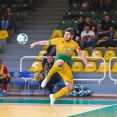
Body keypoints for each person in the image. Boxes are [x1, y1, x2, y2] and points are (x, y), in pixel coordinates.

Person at [30, 28, 92, 106]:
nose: (66, 35)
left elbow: (81, 54)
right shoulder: (59, 40)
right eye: (65, 34)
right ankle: (47, 78)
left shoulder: (75, 44)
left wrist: (87, 64)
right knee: (60, 61)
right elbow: (46, 42)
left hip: (66, 67)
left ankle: (53, 96)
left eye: (68, 34)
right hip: (58, 63)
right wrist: (35, 43)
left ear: (72, 36)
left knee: (70, 88)